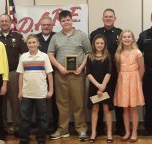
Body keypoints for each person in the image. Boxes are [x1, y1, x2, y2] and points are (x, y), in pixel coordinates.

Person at [48, 10, 91, 141]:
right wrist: (60, 67)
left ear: (72, 20)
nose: (66, 22)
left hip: (77, 75)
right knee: (62, 103)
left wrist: (81, 68)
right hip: (60, 75)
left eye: (68, 20)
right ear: (59, 22)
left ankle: (81, 129)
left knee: (79, 103)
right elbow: (50, 54)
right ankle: (62, 129)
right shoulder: (55, 37)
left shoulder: (82, 35)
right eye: (63, 20)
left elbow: (89, 53)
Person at [89, 8, 124, 136]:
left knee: (118, 100)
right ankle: (98, 129)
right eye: (106, 16)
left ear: (115, 18)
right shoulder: (95, 33)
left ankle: (120, 128)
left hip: (116, 72)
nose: (108, 18)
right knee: (98, 101)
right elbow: (90, 53)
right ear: (102, 18)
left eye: (111, 16)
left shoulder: (120, 33)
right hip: (98, 74)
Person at [0, 14, 28, 137]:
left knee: (15, 102)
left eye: (6, 21)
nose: (4, 23)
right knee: (0, 103)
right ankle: (2, 127)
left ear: (10, 22)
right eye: (1, 21)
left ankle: (17, 127)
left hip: (13, 73)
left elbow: (25, 54)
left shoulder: (18, 37)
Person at [17, 34, 54, 144]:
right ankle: (24, 137)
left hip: (41, 93)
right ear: (27, 44)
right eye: (30, 43)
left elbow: (49, 74)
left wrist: (51, 90)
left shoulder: (44, 56)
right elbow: (20, 75)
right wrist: (20, 91)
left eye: (34, 42)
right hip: (26, 93)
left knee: (42, 117)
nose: (32, 44)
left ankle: (41, 137)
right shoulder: (23, 57)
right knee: (25, 117)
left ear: (38, 44)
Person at [114, 30, 145, 142]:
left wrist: (138, 81)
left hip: (134, 80)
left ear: (132, 39)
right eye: (124, 37)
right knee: (125, 109)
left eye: (129, 37)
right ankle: (127, 132)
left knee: (133, 108)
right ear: (121, 39)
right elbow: (118, 69)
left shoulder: (137, 52)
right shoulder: (118, 53)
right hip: (122, 80)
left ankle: (134, 132)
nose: (126, 39)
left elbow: (142, 68)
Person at [86, 34, 113, 143]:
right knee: (95, 108)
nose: (99, 45)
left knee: (106, 109)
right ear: (94, 44)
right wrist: (98, 85)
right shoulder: (90, 56)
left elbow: (109, 72)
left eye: (101, 43)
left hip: (106, 87)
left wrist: (103, 86)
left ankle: (109, 133)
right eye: (97, 43)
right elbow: (88, 73)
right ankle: (93, 132)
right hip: (94, 87)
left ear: (104, 44)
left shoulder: (107, 56)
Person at [36, 16, 58, 132]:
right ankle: (42, 128)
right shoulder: (35, 38)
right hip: (38, 75)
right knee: (40, 102)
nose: (46, 27)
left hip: (55, 74)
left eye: (48, 25)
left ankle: (55, 127)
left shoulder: (58, 37)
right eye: (44, 25)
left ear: (52, 25)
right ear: (40, 25)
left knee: (55, 102)